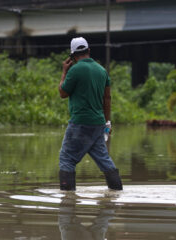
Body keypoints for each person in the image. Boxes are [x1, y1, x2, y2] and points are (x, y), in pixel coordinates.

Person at [58, 37, 123, 191]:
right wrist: (107, 122)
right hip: (98, 124)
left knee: (67, 158)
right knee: (104, 159)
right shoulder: (102, 71)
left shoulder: (74, 70)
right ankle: (116, 192)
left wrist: (64, 72)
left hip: (80, 123)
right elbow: (107, 98)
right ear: (88, 51)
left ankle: (67, 202)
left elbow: (62, 93)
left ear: (72, 56)